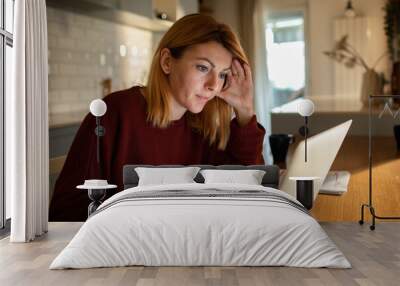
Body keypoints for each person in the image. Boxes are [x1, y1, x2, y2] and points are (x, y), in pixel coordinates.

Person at [49, 14, 266, 221]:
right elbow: (65, 210)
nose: (213, 85)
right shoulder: (113, 113)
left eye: (222, 74)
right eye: (202, 67)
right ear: (167, 62)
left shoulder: (207, 125)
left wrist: (245, 111)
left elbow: (246, 192)